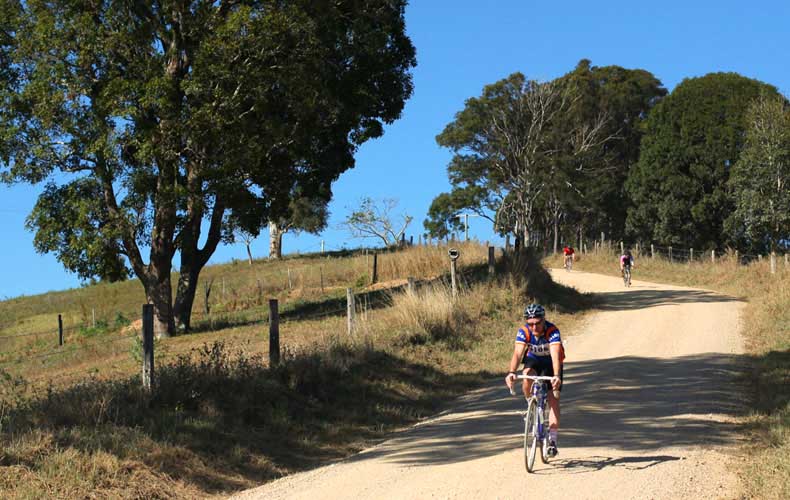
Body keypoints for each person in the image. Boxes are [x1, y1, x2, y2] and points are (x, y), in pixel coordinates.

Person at [505, 303, 565, 457]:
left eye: (537, 323)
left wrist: (556, 376)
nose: (534, 327)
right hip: (534, 361)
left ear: (543, 320)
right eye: (530, 324)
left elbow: (555, 355)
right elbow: (518, 354)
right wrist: (511, 372)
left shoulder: (552, 331)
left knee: (553, 400)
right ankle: (531, 406)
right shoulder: (524, 331)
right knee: (526, 376)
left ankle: (552, 440)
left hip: (551, 363)